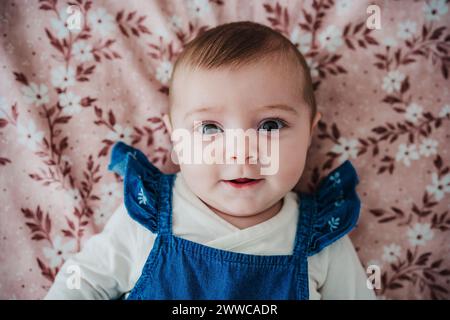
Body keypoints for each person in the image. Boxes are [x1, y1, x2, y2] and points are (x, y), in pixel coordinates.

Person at [45, 21, 376, 300]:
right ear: (175, 136)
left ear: (309, 132)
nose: (241, 151)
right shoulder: (147, 217)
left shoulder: (323, 238)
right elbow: (82, 282)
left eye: (270, 125)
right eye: (209, 128)